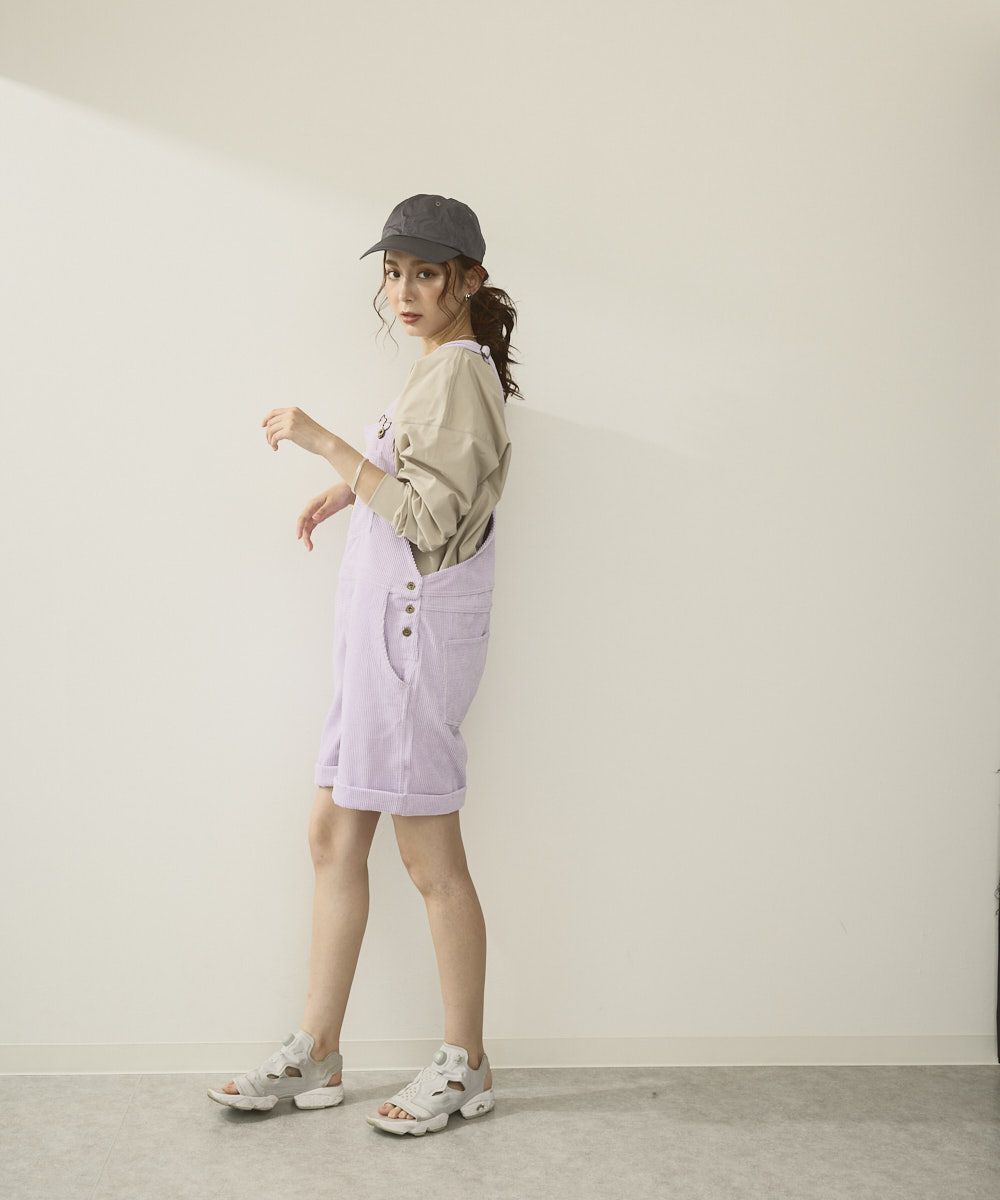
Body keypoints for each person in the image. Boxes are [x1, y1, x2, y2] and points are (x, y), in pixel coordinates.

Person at [207, 195, 520, 1136]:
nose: (405, 291)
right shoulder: (440, 368)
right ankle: (319, 1050)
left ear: (468, 278)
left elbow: (428, 518)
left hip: (412, 645)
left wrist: (326, 443)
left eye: (426, 273)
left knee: (430, 857)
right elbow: (418, 482)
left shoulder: (459, 371)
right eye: (393, 272)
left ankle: (466, 1063)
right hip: (382, 641)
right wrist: (345, 491)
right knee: (333, 836)